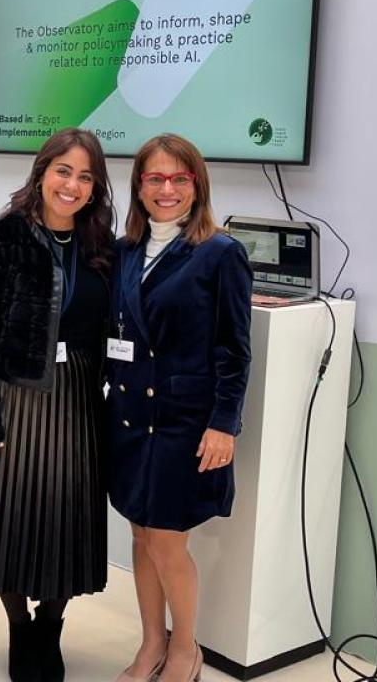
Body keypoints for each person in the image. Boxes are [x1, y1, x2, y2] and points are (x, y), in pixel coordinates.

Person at [0, 127, 116, 682]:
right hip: (15, 399)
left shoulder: (101, 248)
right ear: (42, 173)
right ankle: (21, 627)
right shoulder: (1, 241)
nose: (71, 185)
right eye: (63, 171)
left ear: (95, 189)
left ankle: (52, 623)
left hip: (77, 401)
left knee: (66, 520)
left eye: (85, 176)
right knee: (14, 519)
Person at [105, 134, 252, 682]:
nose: (167, 189)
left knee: (168, 540)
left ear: (197, 185)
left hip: (183, 423)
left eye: (179, 179)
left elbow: (234, 350)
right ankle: (151, 644)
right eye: (155, 179)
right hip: (127, 421)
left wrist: (223, 423)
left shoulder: (220, 253)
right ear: (139, 187)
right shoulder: (123, 253)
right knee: (141, 535)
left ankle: (186, 649)